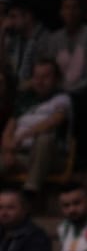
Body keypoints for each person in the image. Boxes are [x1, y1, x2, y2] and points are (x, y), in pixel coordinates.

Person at [1, 58, 71, 194]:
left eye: (45, 77)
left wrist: (23, 137)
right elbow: (8, 131)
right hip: (22, 156)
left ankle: (31, 190)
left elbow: (54, 121)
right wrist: (7, 152)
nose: (40, 81)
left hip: (51, 157)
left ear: (56, 79)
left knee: (44, 139)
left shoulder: (62, 98)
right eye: (36, 77)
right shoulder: (23, 100)